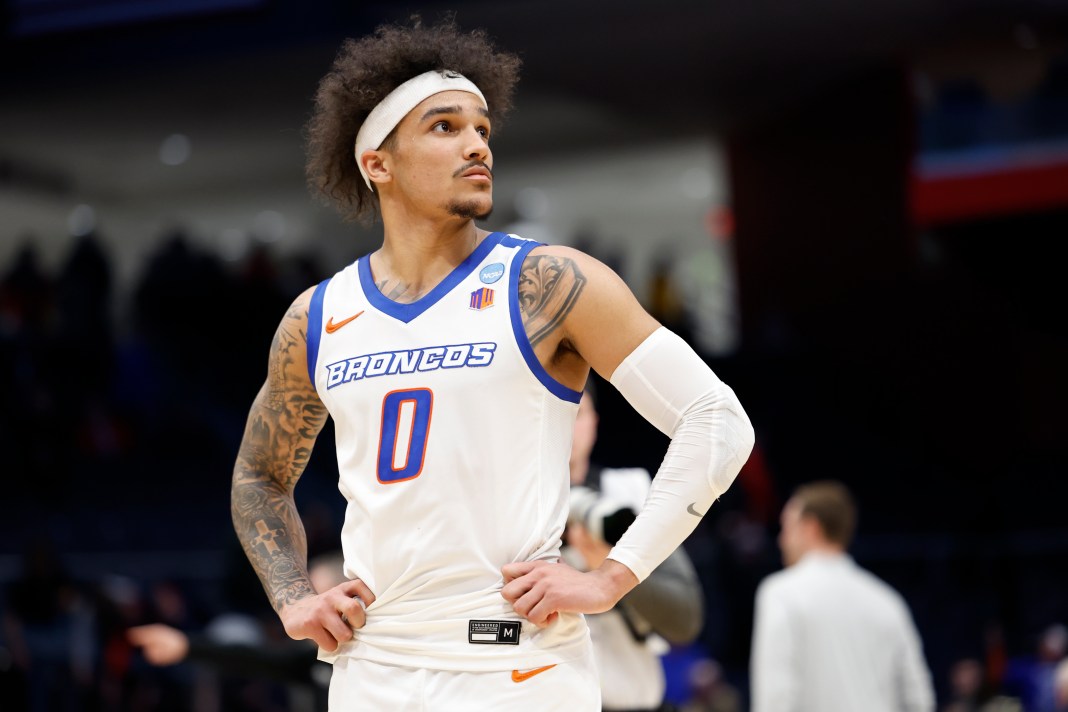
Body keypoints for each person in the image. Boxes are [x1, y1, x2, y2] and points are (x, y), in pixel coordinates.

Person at [229, 17, 755, 711]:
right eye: (444, 126)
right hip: (370, 669)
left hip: (519, 667)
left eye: (481, 127)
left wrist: (611, 579)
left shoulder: (549, 284)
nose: (478, 144)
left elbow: (717, 418)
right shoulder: (316, 317)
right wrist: (293, 596)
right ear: (376, 163)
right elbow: (259, 475)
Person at [566, 384, 704, 712]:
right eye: (559, 414)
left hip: (632, 695)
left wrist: (613, 572)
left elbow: (685, 620)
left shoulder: (628, 492)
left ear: (594, 422)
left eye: (578, 413)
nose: (568, 426)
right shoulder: (510, 506)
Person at [749, 481, 935, 712]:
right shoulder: (887, 601)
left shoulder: (780, 594)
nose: (781, 541)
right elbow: (918, 698)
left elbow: (775, 697)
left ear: (811, 527)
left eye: (786, 528)